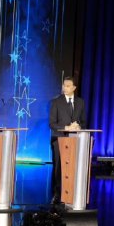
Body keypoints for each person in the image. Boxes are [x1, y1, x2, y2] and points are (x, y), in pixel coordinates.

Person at [48, 76, 87, 205]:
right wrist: (66, 127)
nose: (65, 88)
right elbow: (52, 123)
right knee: (59, 168)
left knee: (72, 168)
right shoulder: (56, 102)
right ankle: (56, 194)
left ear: (74, 88)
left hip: (74, 141)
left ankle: (71, 193)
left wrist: (78, 126)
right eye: (64, 85)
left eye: (68, 86)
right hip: (59, 139)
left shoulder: (80, 102)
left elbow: (83, 121)